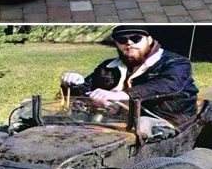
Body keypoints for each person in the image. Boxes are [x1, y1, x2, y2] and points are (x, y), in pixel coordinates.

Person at [60, 26, 199, 133]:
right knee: (67, 124)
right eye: (122, 40)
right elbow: (88, 89)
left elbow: (169, 84)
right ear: (117, 44)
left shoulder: (177, 62)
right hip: (116, 117)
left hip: (165, 117)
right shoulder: (108, 66)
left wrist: (123, 94)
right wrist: (76, 83)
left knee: (140, 129)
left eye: (136, 38)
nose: (129, 43)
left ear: (149, 40)